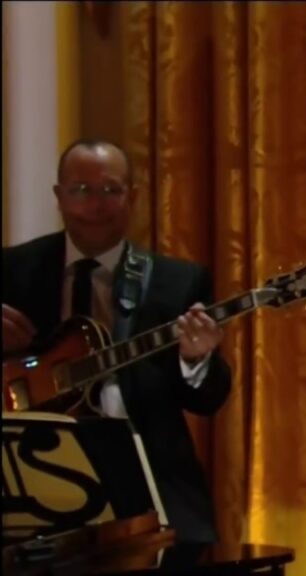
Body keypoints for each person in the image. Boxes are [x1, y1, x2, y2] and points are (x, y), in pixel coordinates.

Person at [2, 138, 232, 544]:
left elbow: (208, 399)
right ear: (59, 196)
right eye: (81, 190)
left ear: (134, 197)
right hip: (32, 475)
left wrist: (196, 361)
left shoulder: (178, 281)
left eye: (111, 190)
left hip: (149, 486)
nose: (96, 205)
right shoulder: (12, 269)